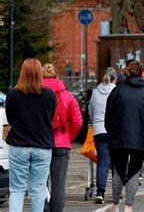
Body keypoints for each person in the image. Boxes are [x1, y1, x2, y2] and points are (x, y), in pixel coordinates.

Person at [105, 61, 144, 212]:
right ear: (142, 74)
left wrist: (112, 133)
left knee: (118, 169)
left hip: (118, 138)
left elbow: (108, 116)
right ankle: (129, 206)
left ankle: (115, 204)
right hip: (140, 138)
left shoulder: (117, 90)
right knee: (134, 170)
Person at [5, 58, 56, 212]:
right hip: (42, 145)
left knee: (17, 188)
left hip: (19, 145)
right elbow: (50, 116)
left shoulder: (13, 94)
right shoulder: (49, 95)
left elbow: (10, 118)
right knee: (38, 188)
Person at [42, 63, 83, 212]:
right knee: (58, 183)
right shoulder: (68, 96)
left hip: (41, 142)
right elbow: (78, 121)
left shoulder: (36, 95)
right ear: (57, 77)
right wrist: (68, 137)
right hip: (61, 144)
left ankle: (44, 209)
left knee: (40, 183)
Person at [88, 67, 117, 204]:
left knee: (103, 161)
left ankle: (100, 192)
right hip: (114, 130)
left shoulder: (95, 92)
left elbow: (91, 112)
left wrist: (95, 122)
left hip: (99, 129)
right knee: (117, 161)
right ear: (114, 78)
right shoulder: (117, 91)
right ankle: (117, 192)